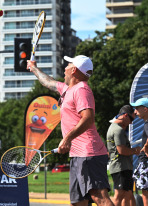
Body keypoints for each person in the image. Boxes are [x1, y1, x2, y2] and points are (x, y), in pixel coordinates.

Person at [27, 55, 113, 205]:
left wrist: (67, 138)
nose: (65, 68)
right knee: (78, 202)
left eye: (68, 64)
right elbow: (48, 82)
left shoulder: (82, 90)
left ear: (73, 70)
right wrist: (34, 68)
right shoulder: (68, 90)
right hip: (78, 154)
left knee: (100, 198)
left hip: (88, 153)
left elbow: (88, 118)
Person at [107, 105, 141, 206]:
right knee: (120, 195)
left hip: (123, 166)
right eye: (131, 119)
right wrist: (136, 150)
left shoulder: (114, 127)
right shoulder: (118, 130)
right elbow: (121, 150)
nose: (131, 122)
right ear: (125, 115)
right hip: (120, 167)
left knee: (128, 194)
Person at [131, 97, 148, 206]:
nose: (135, 112)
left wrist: (146, 146)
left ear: (145, 109)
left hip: (146, 162)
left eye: (137, 108)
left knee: (145, 192)